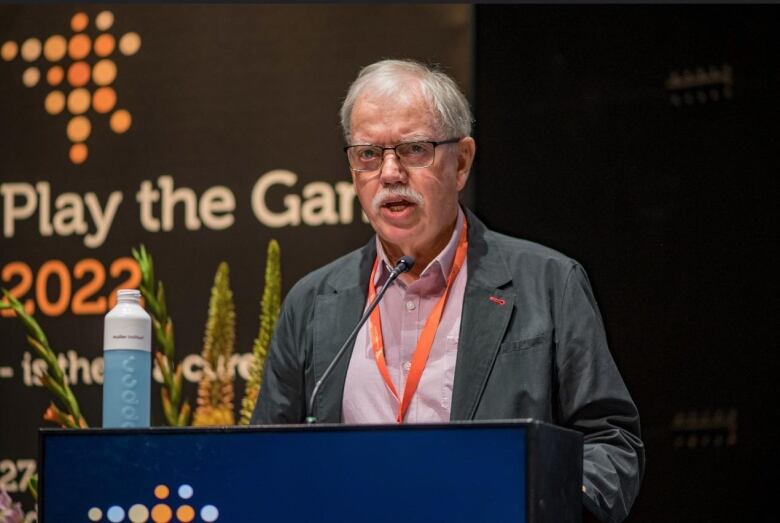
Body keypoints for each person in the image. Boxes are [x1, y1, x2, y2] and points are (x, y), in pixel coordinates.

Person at [252, 59, 644, 522]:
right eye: (368, 154)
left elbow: (611, 441)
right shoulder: (312, 303)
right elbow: (265, 459)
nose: (391, 173)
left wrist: (549, 501)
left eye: (414, 150)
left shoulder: (549, 283)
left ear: (461, 162)